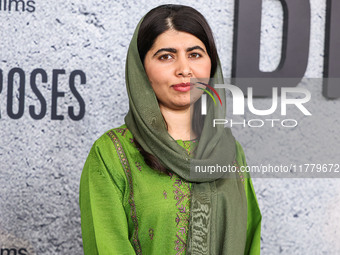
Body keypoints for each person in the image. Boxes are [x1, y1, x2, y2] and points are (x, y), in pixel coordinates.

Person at [79, 4, 261, 255]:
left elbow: (250, 243)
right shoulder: (111, 154)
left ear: (212, 65)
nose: (184, 69)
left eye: (195, 54)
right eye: (166, 56)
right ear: (141, 69)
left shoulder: (230, 152)